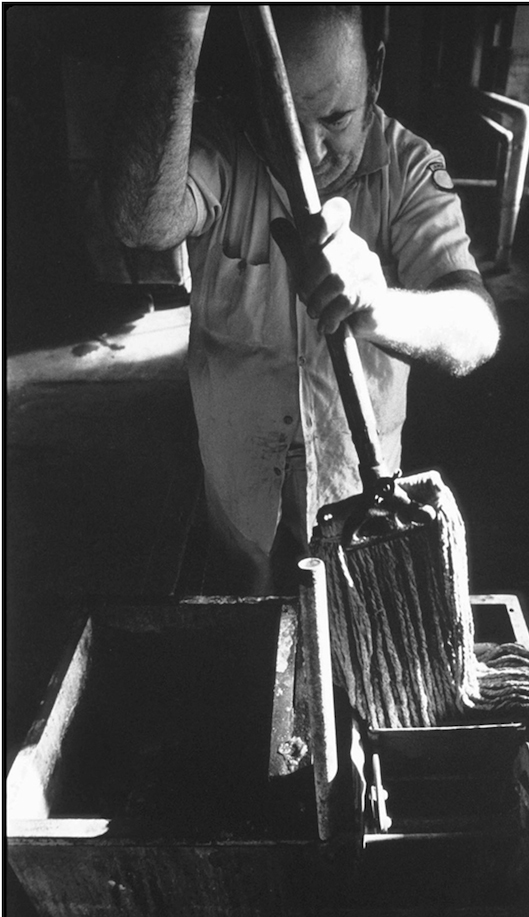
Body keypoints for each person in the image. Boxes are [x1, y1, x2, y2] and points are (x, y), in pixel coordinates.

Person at [105, 4, 499, 595]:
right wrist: (183, 18)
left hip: (357, 501)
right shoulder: (223, 148)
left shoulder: (412, 169)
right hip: (237, 495)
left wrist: (379, 305)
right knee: (246, 636)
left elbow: (476, 332)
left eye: (336, 118)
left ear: (377, 74)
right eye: (283, 115)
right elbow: (139, 222)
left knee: (347, 646)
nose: (312, 150)